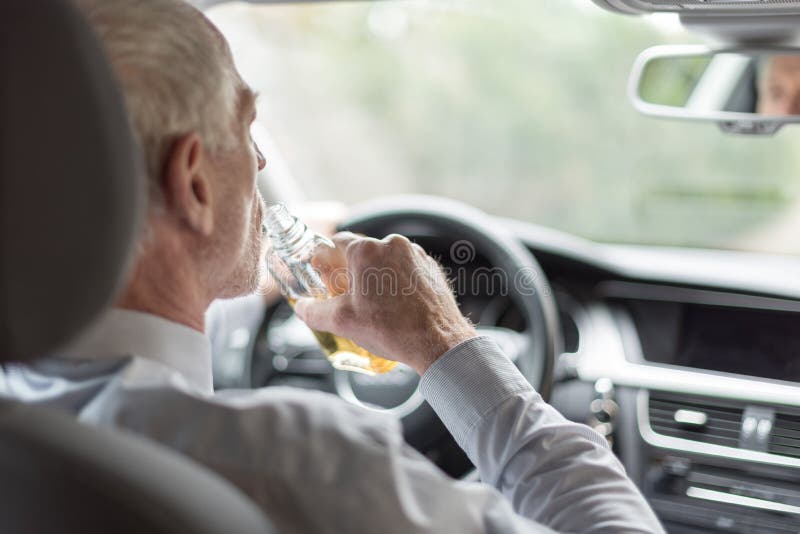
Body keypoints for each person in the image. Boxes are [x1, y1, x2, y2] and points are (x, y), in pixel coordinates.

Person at [0, 0, 663, 532]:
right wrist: (443, 341)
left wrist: (237, 270)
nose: (261, 163)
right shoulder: (304, 468)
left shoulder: (27, 422)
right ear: (195, 183)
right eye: (245, 130)